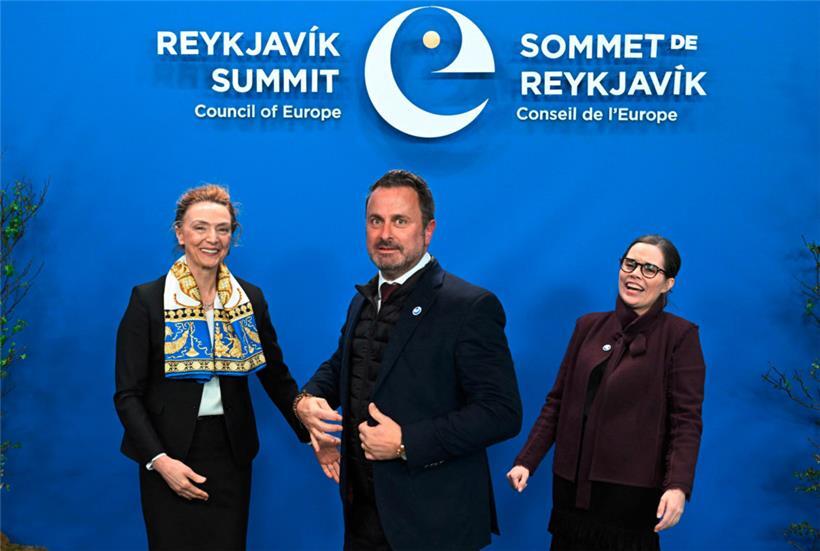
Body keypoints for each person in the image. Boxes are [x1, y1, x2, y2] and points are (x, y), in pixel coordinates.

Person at [294, 170, 522, 550]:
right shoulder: (362, 300)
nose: (385, 234)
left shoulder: (469, 306)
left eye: (400, 221)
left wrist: (406, 443)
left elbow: (502, 413)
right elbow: (343, 363)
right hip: (362, 515)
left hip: (435, 524)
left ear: (428, 230)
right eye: (376, 221)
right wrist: (306, 399)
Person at [114, 184, 309, 550]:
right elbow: (128, 395)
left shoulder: (250, 299)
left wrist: (310, 429)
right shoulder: (147, 300)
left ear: (233, 235)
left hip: (230, 452)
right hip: (167, 451)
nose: (212, 238)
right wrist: (159, 460)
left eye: (223, 229)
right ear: (180, 233)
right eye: (200, 227)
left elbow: (275, 376)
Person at [507, 235, 706, 551]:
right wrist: (526, 461)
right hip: (571, 489)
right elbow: (557, 402)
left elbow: (686, 422)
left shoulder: (680, 336)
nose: (635, 274)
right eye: (630, 264)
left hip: (631, 495)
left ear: (668, 283)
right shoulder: (587, 326)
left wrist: (678, 485)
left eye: (649, 269)